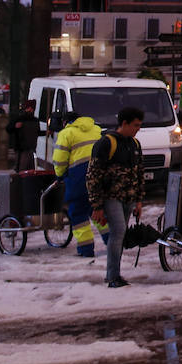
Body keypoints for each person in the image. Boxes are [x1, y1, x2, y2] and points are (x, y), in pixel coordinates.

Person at [87, 106, 146, 288]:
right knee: (118, 232)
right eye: (135, 125)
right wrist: (97, 205)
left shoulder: (134, 145)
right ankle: (113, 276)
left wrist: (138, 200)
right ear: (124, 123)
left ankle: (114, 274)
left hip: (128, 198)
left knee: (119, 235)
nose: (138, 129)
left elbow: (139, 173)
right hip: (111, 197)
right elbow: (93, 175)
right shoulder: (106, 143)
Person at [53, 114, 105, 257]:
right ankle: (112, 242)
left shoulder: (67, 133)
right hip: (99, 176)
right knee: (97, 211)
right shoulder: (97, 130)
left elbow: (59, 160)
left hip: (78, 179)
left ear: (66, 122)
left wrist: (59, 175)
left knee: (78, 215)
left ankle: (86, 250)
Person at [8, 100, 39, 173]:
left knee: (29, 170)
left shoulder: (34, 120)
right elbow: (9, 129)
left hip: (30, 149)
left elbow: (37, 132)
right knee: (23, 169)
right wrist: (15, 126)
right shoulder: (19, 118)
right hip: (22, 149)